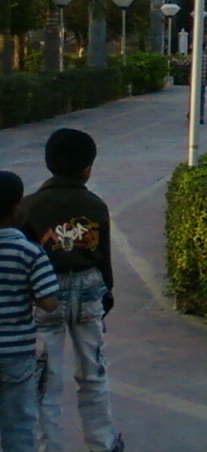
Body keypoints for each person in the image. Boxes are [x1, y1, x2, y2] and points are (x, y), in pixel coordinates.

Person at [17, 129, 123, 452]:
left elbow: (25, 258)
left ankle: (49, 447)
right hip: (90, 291)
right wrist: (107, 296)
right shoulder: (95, 205)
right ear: (87, 167)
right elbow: (103, 258)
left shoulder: (28, 206)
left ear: (49, 163)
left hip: (46, 294)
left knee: (45, 382)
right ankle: (102, 443)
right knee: (94, 374)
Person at [0, 171, 59, 452]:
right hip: (16, 355)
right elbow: (49, 302)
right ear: (16, 207)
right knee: (19, 423)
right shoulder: (30, 252)